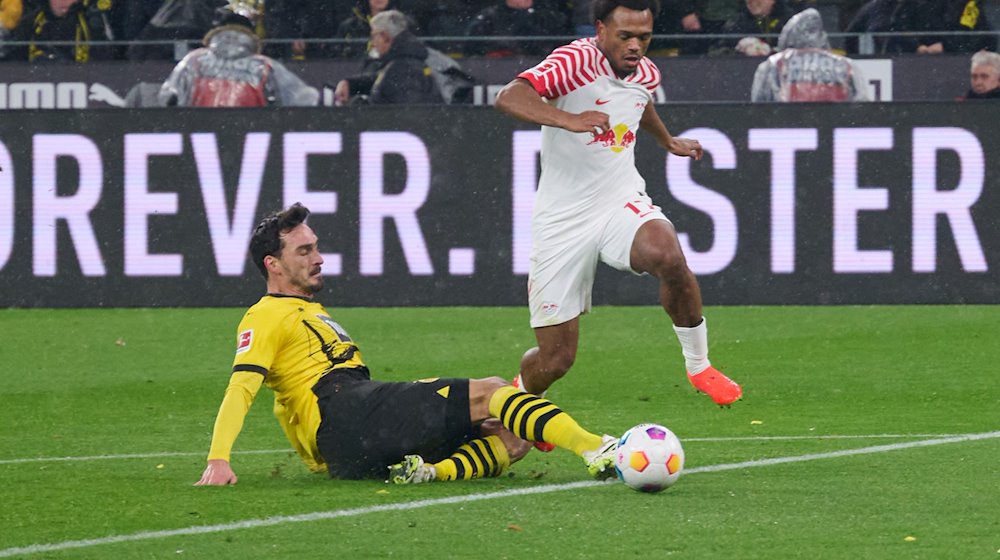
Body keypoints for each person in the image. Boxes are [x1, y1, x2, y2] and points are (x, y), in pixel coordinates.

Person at [195, 203, 620, 486]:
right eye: (304, 251)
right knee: (492, 391)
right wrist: (219, 458)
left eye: (316, 247)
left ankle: (430, 473)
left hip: (352, 438)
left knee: (514, 438)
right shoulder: (265, 314)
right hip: (343, 410)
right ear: (273, 264)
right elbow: (242, 386)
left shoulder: (309, 311)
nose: (318, 258)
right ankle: (596, 448)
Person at [493, 0, 743, 438]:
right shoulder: (574, 60)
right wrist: (568, 119)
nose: (635, 46)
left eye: (643, 37)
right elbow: (509, 96)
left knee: (666, 253)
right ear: (601, 30)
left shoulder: (647, 72)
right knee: (555, 361)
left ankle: (699, 365)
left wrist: (667, 141)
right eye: (624, 35)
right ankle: (521, 402)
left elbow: (639, 102)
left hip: (618, 199)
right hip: (562, 219)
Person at [158, 10, 319, 107]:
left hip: (200, 142)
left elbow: (167, 98)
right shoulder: (265, 67)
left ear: (215, 34)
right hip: (254, 144)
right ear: (250, 36)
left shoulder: (193, 61)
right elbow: (307, 99)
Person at [751, 8, 870, 102]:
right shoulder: (846, 66)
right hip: (833, 128)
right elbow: (862, 112)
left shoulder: (773, 65)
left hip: (788, 128)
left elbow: (759, 108)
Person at [333, 10, 442, 106]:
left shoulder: (404, 68)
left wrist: (360, 104)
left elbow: (405, 115)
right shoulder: (401, 62)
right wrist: (350, 84)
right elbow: (385, 80)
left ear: (385, 37)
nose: (372, 43)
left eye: (373, 36)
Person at [7, 0, 114, 62]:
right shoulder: (31, 22)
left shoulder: (88, 22)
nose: (63, 2)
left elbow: (104, 61)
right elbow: (15, 58)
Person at [464, 0, 569, 57]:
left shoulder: (548, 16)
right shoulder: (489, 16)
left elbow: (559, 43)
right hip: (498, 68)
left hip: (539, 66)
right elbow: (472, 44)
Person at [711, 0, 794, 56]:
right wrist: (740, 49)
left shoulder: (791, 21)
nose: (751, 2)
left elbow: (800, 49)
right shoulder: (737, 24)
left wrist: (773, 51)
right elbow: (716, 52)